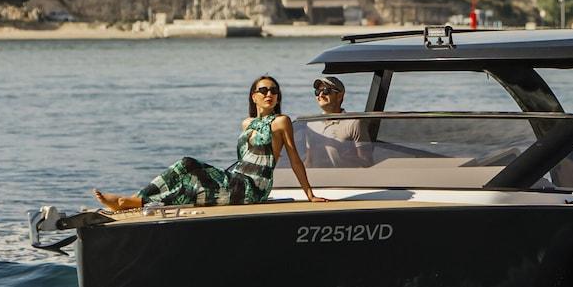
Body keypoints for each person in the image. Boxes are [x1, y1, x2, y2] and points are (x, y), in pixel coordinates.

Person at [94, 75, 328, 210]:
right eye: (264, 90)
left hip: (253, 187)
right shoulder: (246, 124)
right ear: (253, 96)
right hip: (236, 179)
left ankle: (132, 202)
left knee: (191, 182)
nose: (270, 94)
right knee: (185, 165)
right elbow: (242, 160)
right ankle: (136, 198)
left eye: (274, 91)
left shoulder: (281, 121)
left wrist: (309, 195)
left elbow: (295, 158)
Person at [301, 75, 370, 168]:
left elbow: (367, 163)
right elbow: (309, 161)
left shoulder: (354, 123)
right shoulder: (311, 124)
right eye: (317, 92)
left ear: (339, 95)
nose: (320, 95)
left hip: (345, 180)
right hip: (318, 180)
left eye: (326, 91)